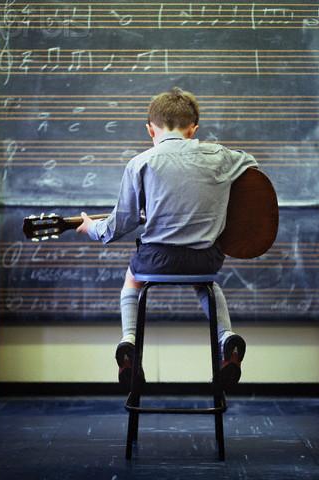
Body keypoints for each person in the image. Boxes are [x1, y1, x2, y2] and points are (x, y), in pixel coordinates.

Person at [77, 87, 258, 392]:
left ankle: (129, 343)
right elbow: (252, 169)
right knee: (206, 284)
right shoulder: (223, 156)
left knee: (132, 278)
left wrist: (89, 227)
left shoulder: (140, 163)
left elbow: (119, 225)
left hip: (156, 261)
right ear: (193, 129)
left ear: (150, 129)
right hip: (205, 259)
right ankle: (226, 338)